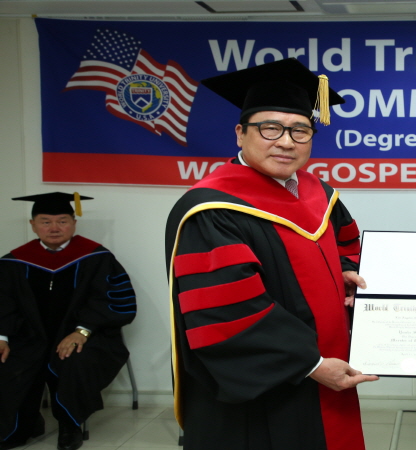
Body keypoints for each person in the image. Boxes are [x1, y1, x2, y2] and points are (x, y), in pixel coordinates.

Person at [164, 58, 378, 450]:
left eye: (300, 130)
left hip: (331, 370)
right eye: (270, 128)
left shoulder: (322, 194)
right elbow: (227, 312)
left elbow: (346, 246)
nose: (286, 142)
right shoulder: (212, 210)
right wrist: (312, 364)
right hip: (263, 391)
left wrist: (346, 272)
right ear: (240, 133)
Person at [0, 192, 136, 450]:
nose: (54, 228)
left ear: (74, 223)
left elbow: (112, 301)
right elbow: (3, 302)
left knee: (75, 361)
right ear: (33, 225)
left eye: (62, 221)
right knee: (9, 360)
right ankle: (21, 425)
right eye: (45, 221)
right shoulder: (13, 262)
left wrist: (82, 332)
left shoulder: (97, 257)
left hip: (86, 335)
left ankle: (69, 425)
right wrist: (2, 337)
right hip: (27, 336)